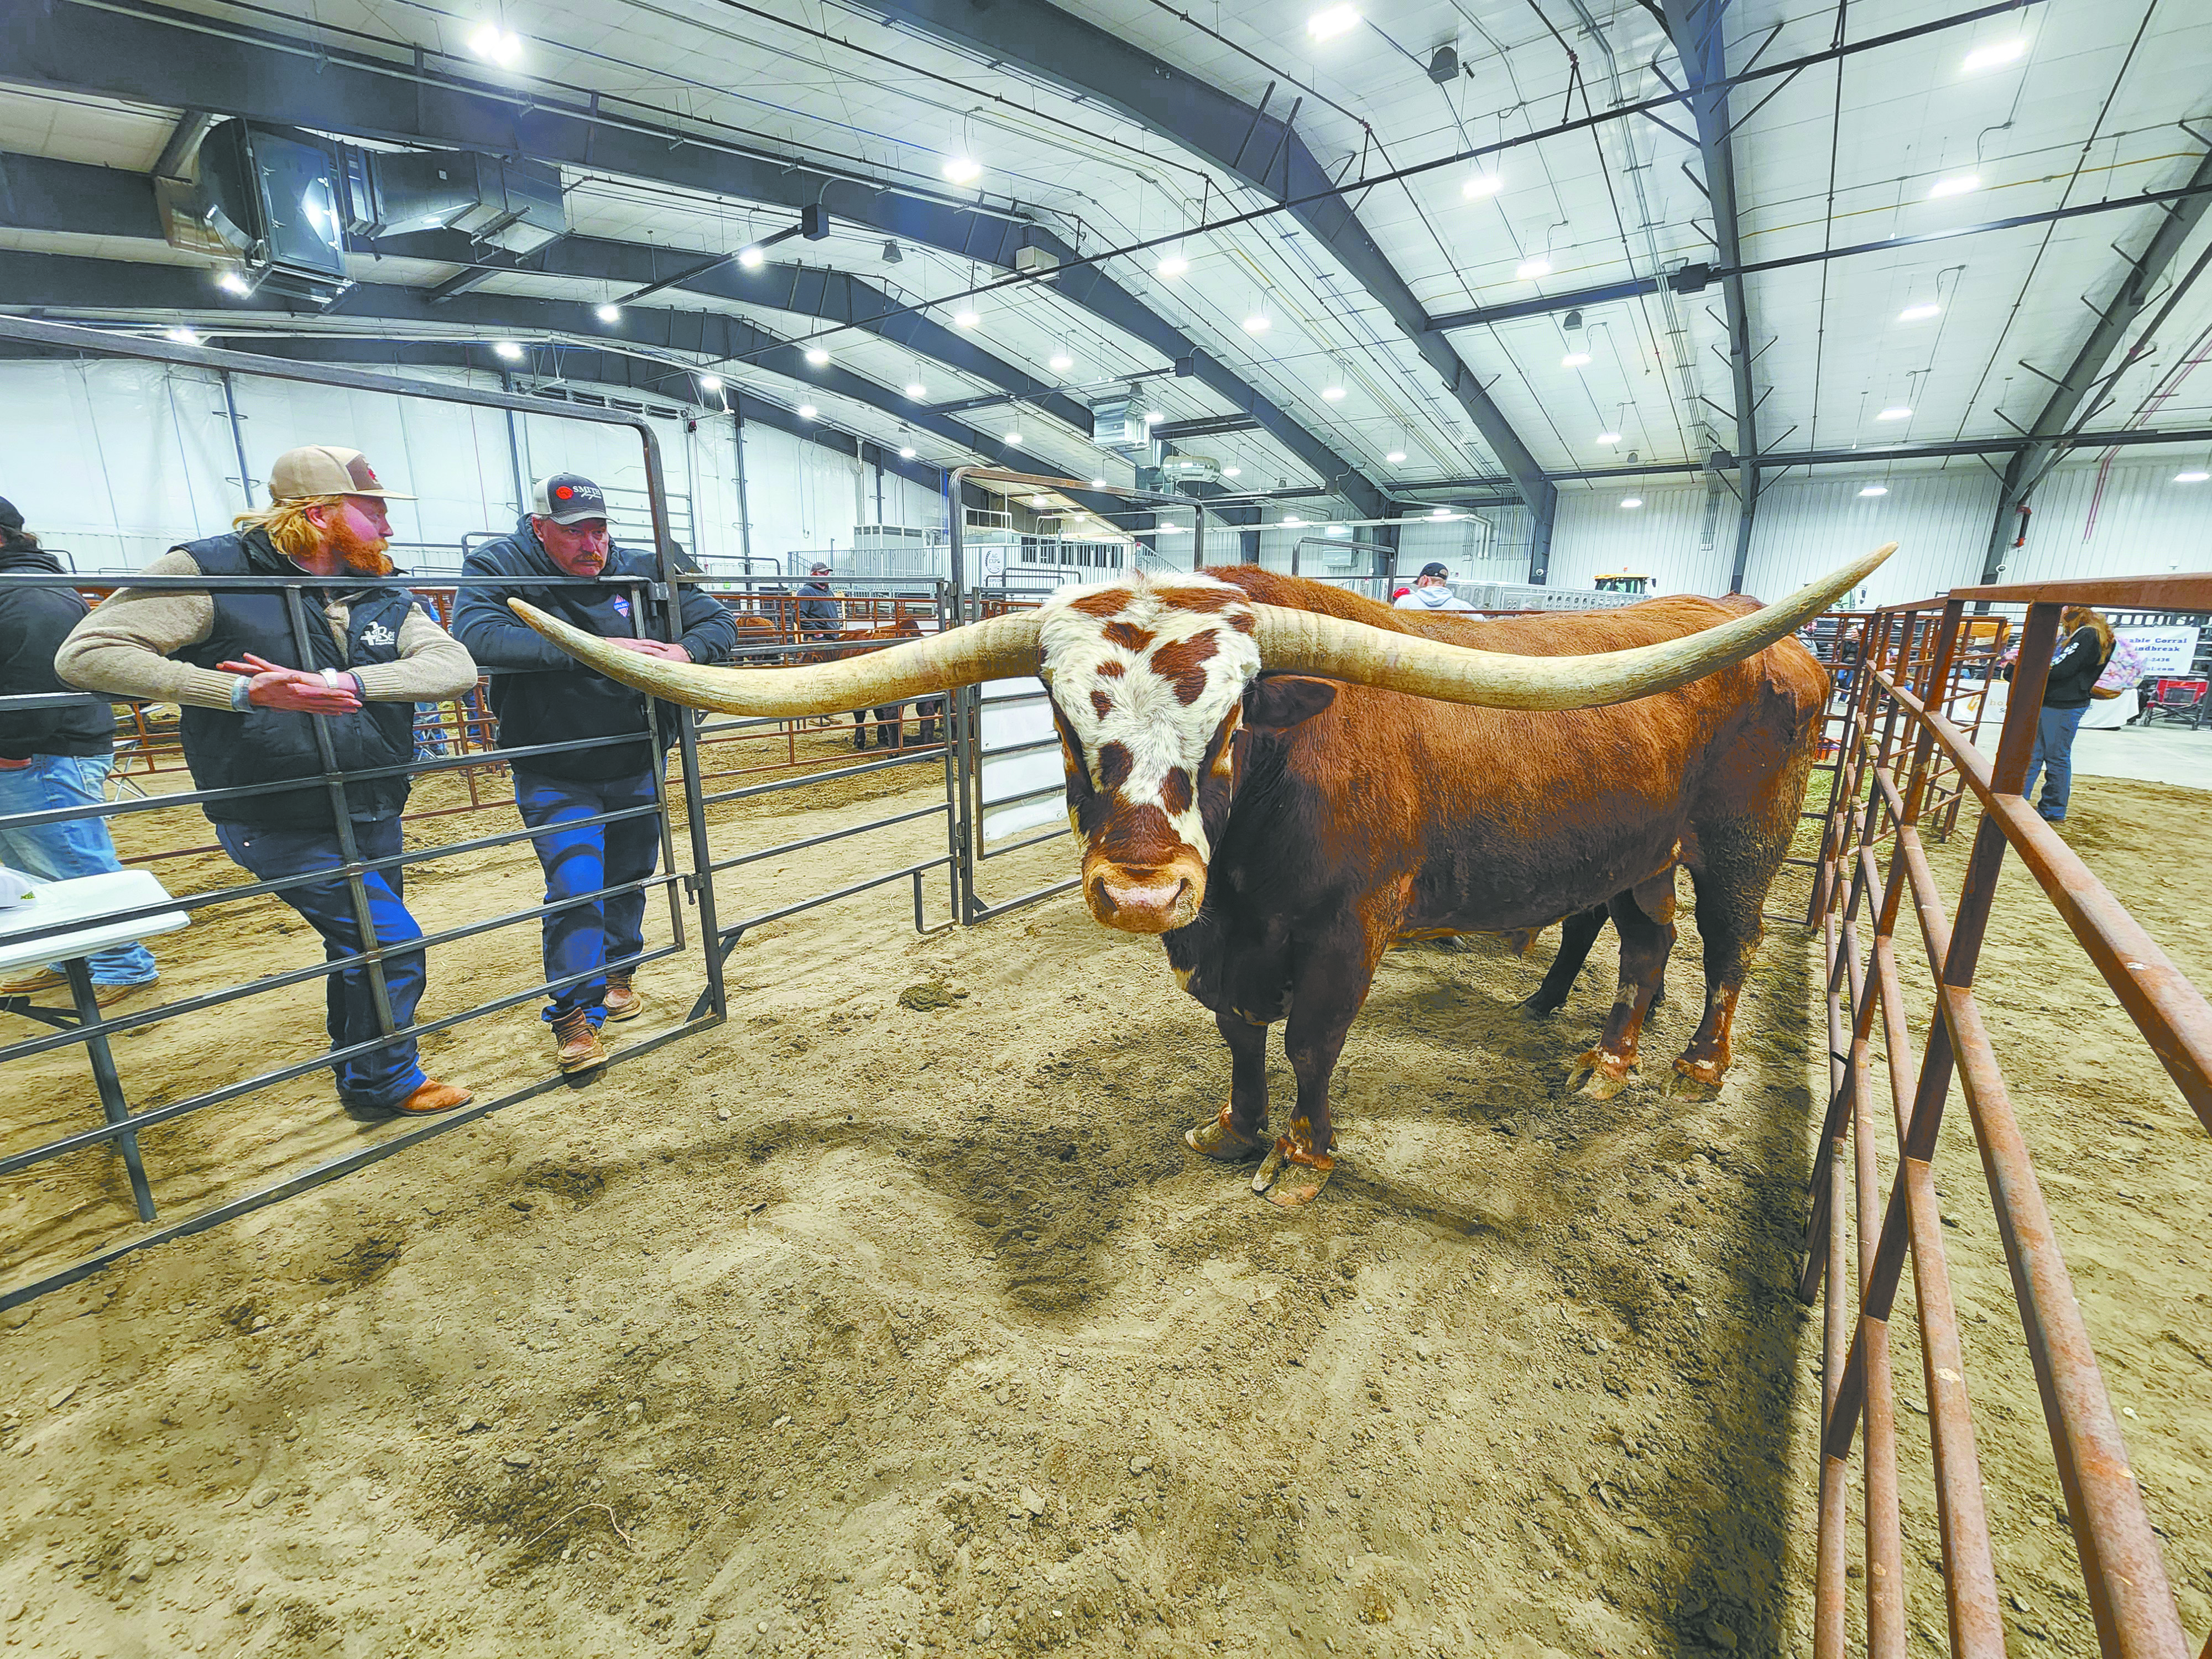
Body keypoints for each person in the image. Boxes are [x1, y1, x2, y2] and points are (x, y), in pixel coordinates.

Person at [54, 446, 478, 1116]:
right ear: (320, 513)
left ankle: (371, 1081)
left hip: (370, 800)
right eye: (374, 513)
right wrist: (241, 693)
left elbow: (451, 665)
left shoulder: (377, 589)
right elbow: (86, 653)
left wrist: (346, 682)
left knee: (362, 947)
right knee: (389, 944)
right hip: (273, 811)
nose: (389, 529)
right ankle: (385, 1080)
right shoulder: (207, 572)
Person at [450, 473, 735, 1074]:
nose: (591, 544)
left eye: (599, 528)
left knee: (630, 874)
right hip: (555, 764)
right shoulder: (499, 565)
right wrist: (598, 650)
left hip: (637, 757)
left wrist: (685, 652)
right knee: (578, 885)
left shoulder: (643, 567)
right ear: (538, 529)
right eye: (573, 531)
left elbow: (717, 623)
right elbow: (477, 637)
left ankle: (618, 973)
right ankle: (574, 1017)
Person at [0, 497, 161, 1005]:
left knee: (71, 857)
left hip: (43, 752)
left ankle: (123, 965)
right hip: (33, 750)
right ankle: (66, 955)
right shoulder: (20, 589)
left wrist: (11, 749)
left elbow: (37, 678)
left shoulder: (30, 595)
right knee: (27, 864)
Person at [2021, 604, 2114, 825]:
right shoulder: (2096, 636)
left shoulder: (2086, 635)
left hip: (2061, 703)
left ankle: (2051, 809)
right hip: (2062, 702)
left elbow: (2062, 669)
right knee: (2041, 755)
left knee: (2052, 757)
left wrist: (2029, 671)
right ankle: (2027, 804)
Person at [1392, 562, 1474, 613]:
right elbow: (1483, 625)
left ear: (1425, 579)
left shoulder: (1404, 602)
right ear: (1444, 583)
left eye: (1418, 582)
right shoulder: (1463, 607)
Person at [796, 562, 841, 642]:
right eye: (822, 573)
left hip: (832, 635)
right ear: (814, 574)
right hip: (818, 638)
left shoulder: (829, 593)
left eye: (827, 573)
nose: (826, 575)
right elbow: (799, 615)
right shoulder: (806, 592)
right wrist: (815, 631)